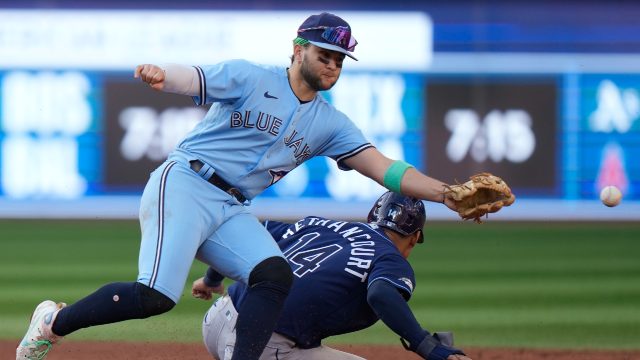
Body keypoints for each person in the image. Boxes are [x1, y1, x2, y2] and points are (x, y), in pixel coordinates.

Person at [17, 12, 459, 360]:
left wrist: (446, 194)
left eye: (340, 60)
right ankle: (54, 322)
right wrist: (162, 75)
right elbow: (197, 77)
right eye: (325, 54)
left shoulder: (330, 124)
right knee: (154, 296)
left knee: (274, 275)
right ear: (298, 49)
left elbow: (384, 168)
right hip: (187, 182)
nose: (332, 65)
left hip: (231, 208)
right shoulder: (253, 77)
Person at [194, 192, 472, 360]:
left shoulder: (321, 223)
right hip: (260, 347)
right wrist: (427, 347)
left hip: (217, 320)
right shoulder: (390, 258)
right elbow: (382, 294)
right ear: (415, 237)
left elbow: (248, 236)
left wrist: (211, 280)